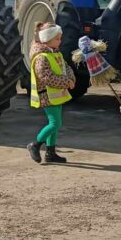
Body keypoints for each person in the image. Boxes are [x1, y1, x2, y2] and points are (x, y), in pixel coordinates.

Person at [27, 22, 75, 164]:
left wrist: (71, 78)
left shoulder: (55, 53)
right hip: (46, 95)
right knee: (55, 124)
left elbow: (66, 67)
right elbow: (47, 77)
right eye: (57, 39)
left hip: (56, 95)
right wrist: (66, 82)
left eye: (60, 38)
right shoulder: (41, 57)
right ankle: (35, 144)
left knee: (54, 124)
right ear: (47, 39)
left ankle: (50, 153)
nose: (60, 41)